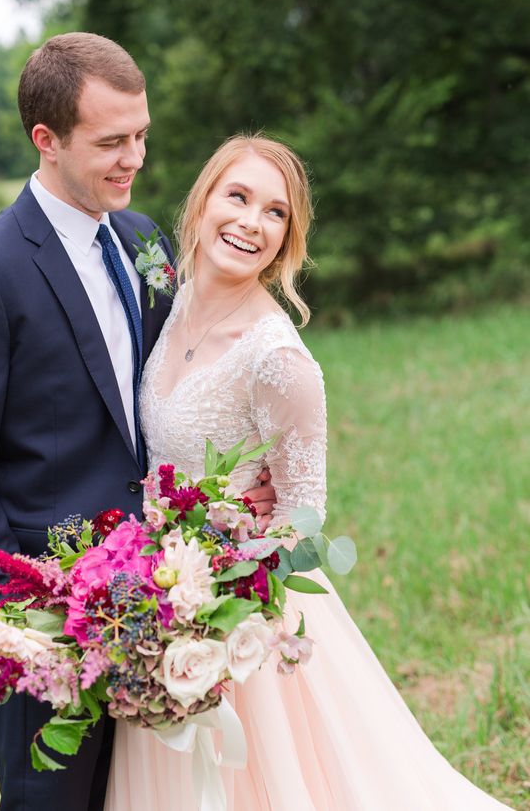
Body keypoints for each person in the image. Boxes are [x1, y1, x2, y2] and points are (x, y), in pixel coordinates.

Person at [104, 134, 511, 810]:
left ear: (288, 237)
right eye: (237, 196)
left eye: (275, 213)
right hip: (156, 597)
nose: (251, 222)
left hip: (239, 618)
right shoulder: (164, 300)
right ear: (203, 201)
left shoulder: (277, 358)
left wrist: (218, 597)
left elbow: (304, 520)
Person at [0, 33, 275, 811]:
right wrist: (19, 613)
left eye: (142, 135)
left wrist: (240, 491)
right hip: (51, 623)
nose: (136, 157)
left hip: (159, 609)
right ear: (45, 141)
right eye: (112, 142)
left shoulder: (144, 239)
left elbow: (178, 384)